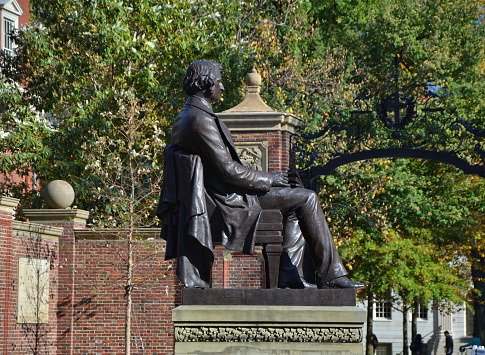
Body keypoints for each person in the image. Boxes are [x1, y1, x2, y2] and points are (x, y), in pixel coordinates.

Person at [159, 59, 365, 290]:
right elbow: (229, 170)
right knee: (307, 198)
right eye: (219, 82)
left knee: (296, 195)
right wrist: (270, 178)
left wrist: (271, 179)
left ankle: (289, 275)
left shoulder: (190, 115)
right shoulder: (199, 119)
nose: (222, 88)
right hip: (225, 202)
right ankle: (331, 276)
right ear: (207, 84)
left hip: (223, 194)